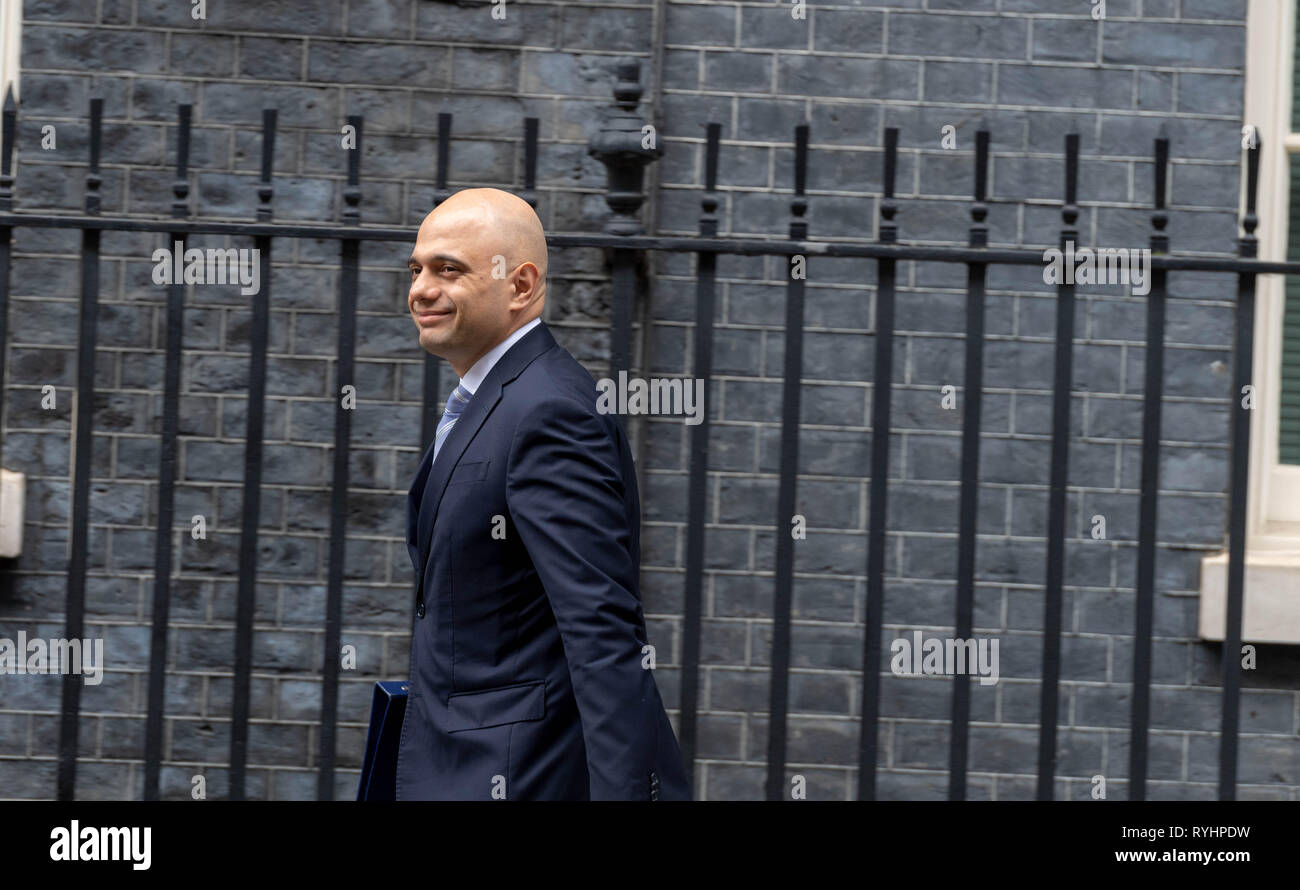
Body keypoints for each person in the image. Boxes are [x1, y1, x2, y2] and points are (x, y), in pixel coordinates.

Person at [396, 187, 691, 800]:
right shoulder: (497, 397)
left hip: (522, 776)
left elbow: (603, 632)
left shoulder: (549, 411)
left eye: (449, 269)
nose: (421, 289)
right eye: (417, 268)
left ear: (521, 286)